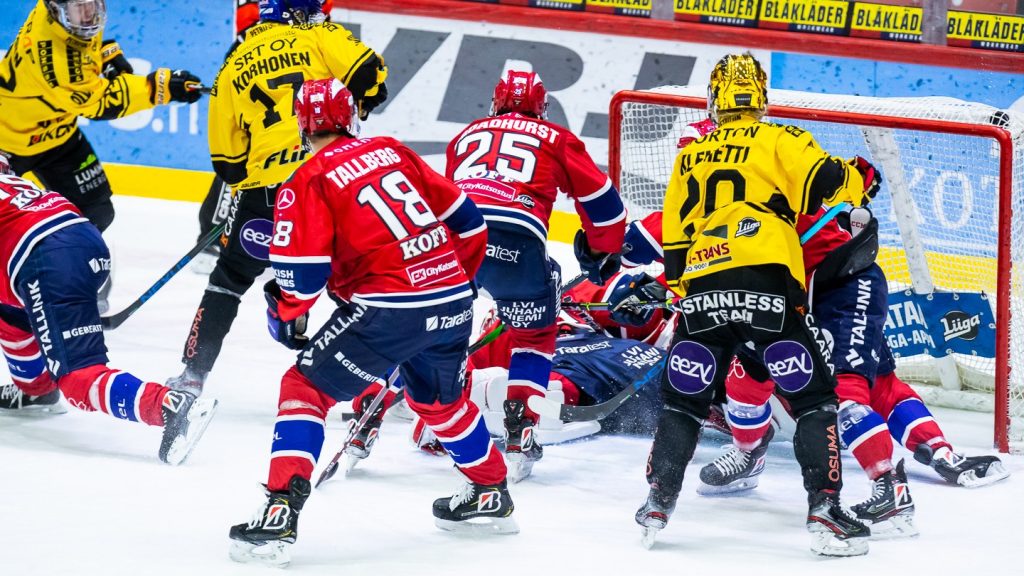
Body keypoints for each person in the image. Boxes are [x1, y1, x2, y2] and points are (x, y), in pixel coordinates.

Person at [228, 78, 510, 568]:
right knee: (439, 403)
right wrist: (450, 282)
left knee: (303, 387)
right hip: (451, 300)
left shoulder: (308, 179)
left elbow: (303, 278)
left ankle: (279, 509)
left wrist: (282, 311)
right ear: (351, 116)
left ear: (302, 125)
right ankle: (490, 490)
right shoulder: (393, 150)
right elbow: (470, 223)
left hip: (388, 309)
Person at [632, 53, 880, 556]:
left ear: (715, 100)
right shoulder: (780, 137)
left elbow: (674, 244)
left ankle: (657, 502)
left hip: (703, 284)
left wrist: (689, 294)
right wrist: (857, 182)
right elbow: (828, 183)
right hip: (767, 281)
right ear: (760, 99)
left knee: (684, 402)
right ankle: (825, 511)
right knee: (813, 400)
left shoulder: (690, 156)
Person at [166, 0, 388, 393]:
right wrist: (363, 101)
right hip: (332, 178)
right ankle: (382, 380)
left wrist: (263, 168)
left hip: (266, 194)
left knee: (228, 281)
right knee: (364, 281)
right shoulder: (318, 34)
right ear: (298, 14)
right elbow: (372, 75)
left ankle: (192, 376)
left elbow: (228, 165)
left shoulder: (232, 66)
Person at [444, 69, 627, 481]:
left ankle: (378, 404)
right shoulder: (556, 138)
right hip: (517, 245)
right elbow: (605, 206)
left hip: (457, 240)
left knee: (427, 325)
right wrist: (601, 251)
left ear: (495, 103)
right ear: (542, 108)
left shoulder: (465, 135)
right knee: (533, 337)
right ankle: (522, 426)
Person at [0, 153, 217, 465]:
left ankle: (170, 406)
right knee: (10, 313)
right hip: (79, 236)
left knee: (78, 378)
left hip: (46, 257)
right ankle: (36, 389)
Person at [0, 0, 203, 232]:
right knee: (6, 226)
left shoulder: (66, 20)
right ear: (55, 10)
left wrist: (104, 54)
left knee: (95, 212)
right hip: (8, 143)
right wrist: (159, 87)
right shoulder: (58, 61)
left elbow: (83, 46)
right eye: (81, 9)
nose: (90, 16)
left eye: (94, 5)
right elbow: (102, 104)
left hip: (57, 133)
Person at [190, 0, 336, 275]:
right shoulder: (260, 26)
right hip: (261, 99)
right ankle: (212, 239)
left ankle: (288, 244)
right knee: (238, 167)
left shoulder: (320, 30)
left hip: (300, 112)